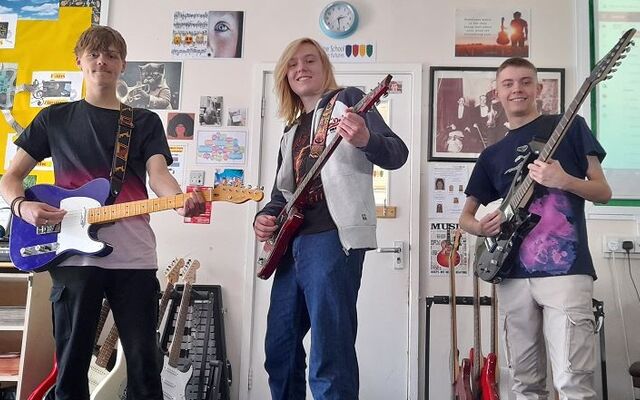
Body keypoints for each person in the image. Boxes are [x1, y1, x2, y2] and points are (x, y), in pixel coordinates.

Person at [0, 26, 205, 400]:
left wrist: (180, 200)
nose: (102, 61)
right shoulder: (54, 118)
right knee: (71, 364)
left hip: (135, 256)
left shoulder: (143, 122)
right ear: (79, 60)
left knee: (145, 365)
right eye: (94, 53)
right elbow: (11, 176)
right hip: (73, 256)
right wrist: (22, 206)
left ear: (123, 64)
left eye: (111, 54)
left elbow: (159, 174)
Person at [253, 37, 408, 399]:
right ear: (285, 76)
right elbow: (282, 195)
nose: (301, 68)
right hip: (290, 244)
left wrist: (366, 138)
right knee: (280, 348)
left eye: (310, 61)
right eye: (292, 64)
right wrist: (265, 216)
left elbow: (396, 153)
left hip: (333, 240)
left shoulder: (349, 99)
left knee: (329, 350)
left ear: (325, 68)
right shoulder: (290, 130)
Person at [459, 57, 611, 399]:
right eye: (509, 83)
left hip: (566, 272)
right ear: (496, 93)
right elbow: (465, 219)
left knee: (573, 382)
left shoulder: (570, 127)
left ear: (539, 89)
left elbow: (603, 192)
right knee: (524, 383)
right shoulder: (491, 155)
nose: (518, 89)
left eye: (526, 82)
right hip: (512, 275)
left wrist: (564, 180)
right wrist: (482, 228)